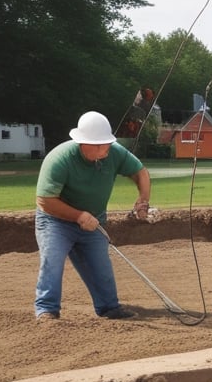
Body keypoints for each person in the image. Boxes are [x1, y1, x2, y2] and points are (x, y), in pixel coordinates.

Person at [33, 111, 151, 320]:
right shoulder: (59, 159)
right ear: (81, 142)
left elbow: (140, 172)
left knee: (101, 267)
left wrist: (143, 200)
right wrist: (78, 216)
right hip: (55, 222)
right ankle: (47, 311)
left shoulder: (113, 152)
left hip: (93, 223)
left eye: (105, 142)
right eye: (97, 144)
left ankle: (109, 308)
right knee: (53, 260)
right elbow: (45, 200)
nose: (104, 148)